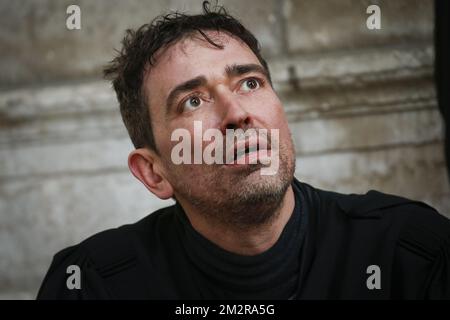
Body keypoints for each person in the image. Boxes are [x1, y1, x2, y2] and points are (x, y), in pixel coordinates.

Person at [37, 2, 450, 299]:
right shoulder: (94, 284)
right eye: (192, 101)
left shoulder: (409, 253)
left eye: (249, 83)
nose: (236, 114)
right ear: (154, 173)